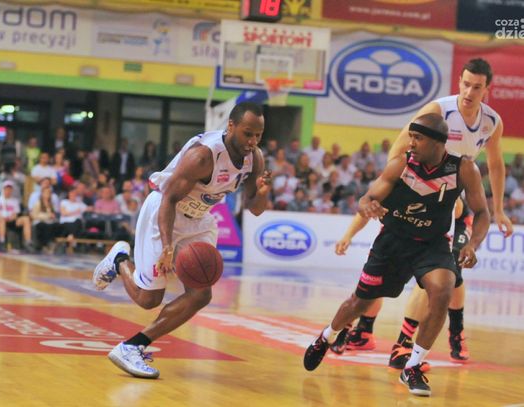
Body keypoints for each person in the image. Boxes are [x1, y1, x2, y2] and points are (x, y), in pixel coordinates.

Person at [331, 58, 514, 364]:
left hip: (455, 205)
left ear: (487, 90)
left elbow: (495, 164)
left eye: (477, 87)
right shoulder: (438, 110)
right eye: (466, 84)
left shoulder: (492, 122)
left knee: (449, 274)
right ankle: (361, 327)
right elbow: (401, 148)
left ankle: (419, 339)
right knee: (386, 270)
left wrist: (498, 210)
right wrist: (399, 188)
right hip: (419, 198)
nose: (469, 91)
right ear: (459, 82)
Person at [303, 113, 490, 397]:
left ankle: (412, 366)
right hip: (393, 242)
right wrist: (368, 205)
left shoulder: (463, 168)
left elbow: (482, 213)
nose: (411, 143)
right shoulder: (402, 164)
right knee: (358, 303)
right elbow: (367, 198)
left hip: (432, 244)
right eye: (411, 137)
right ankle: (327, 336)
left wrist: (472, 244)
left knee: (443, 290)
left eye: (418, 138)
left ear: (438, 143)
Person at [92, 102, 271, 379]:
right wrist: (167, 247)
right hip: (165, 212)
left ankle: (132, 347)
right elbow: (169, 199)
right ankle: (120, 260)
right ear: (231, 126)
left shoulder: (254, 158)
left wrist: (262, 193)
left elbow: (255, 209)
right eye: (248, 133)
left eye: (258, 135)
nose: (253, 141)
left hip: (200, 218)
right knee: (149, 299)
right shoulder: (203, 156)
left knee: (201, 294)